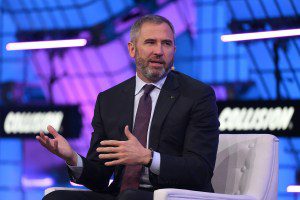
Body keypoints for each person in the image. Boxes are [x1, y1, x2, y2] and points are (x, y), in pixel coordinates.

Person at [38, 14, 219, 200]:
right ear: (132, 49)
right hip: (122, 194)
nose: (159, 51)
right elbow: (100, 177)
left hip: (173, 195)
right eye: (150, 42)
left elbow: (200, 170)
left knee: (130, 198)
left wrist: (148, 157)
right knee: (56, 198)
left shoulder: (197, 95)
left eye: (166, 43)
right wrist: (72, 158)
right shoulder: (109, 99)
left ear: (174, 49)